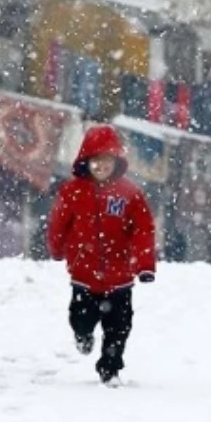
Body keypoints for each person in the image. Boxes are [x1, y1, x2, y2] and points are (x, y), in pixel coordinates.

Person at [47, 124, 156, 387]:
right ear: (86, 161)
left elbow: (143, 229)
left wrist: (144, 264)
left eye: (106, 160)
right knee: (80, 317)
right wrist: (56, 247)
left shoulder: (130, 194)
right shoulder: (72, 191)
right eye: (96, 161)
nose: (101, 166)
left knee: (118, 328)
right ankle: (83, 335)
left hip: (120, 278)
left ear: (116, 162)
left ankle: (110, 369)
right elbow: (59, 222)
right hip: (84, 273)